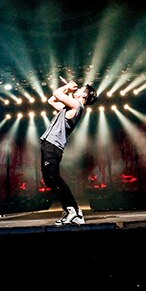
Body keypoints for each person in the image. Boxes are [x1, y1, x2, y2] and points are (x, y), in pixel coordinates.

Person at [40, 78, 98, 226]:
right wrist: (68, 90)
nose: (78, 89)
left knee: (54, 178)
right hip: (49, 144)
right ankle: (71, 210)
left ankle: (73, 210)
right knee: (49, 179)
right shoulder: (71, 106)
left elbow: (56, 93)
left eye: (81, 89)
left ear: (84, 96)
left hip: (53, 145)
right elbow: (51, 100)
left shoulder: (77, 106)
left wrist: (67, 87)